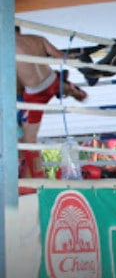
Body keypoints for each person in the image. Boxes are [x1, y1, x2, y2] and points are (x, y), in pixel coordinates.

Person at [15, 26, 87, 178]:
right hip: (51, 80)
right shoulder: (37, 39)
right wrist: (83, 64)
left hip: (34, 95)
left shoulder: (6, 46)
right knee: (21, 137)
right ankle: (69, 88)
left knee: (29, 140)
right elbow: (62, 57)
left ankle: (38, 179)